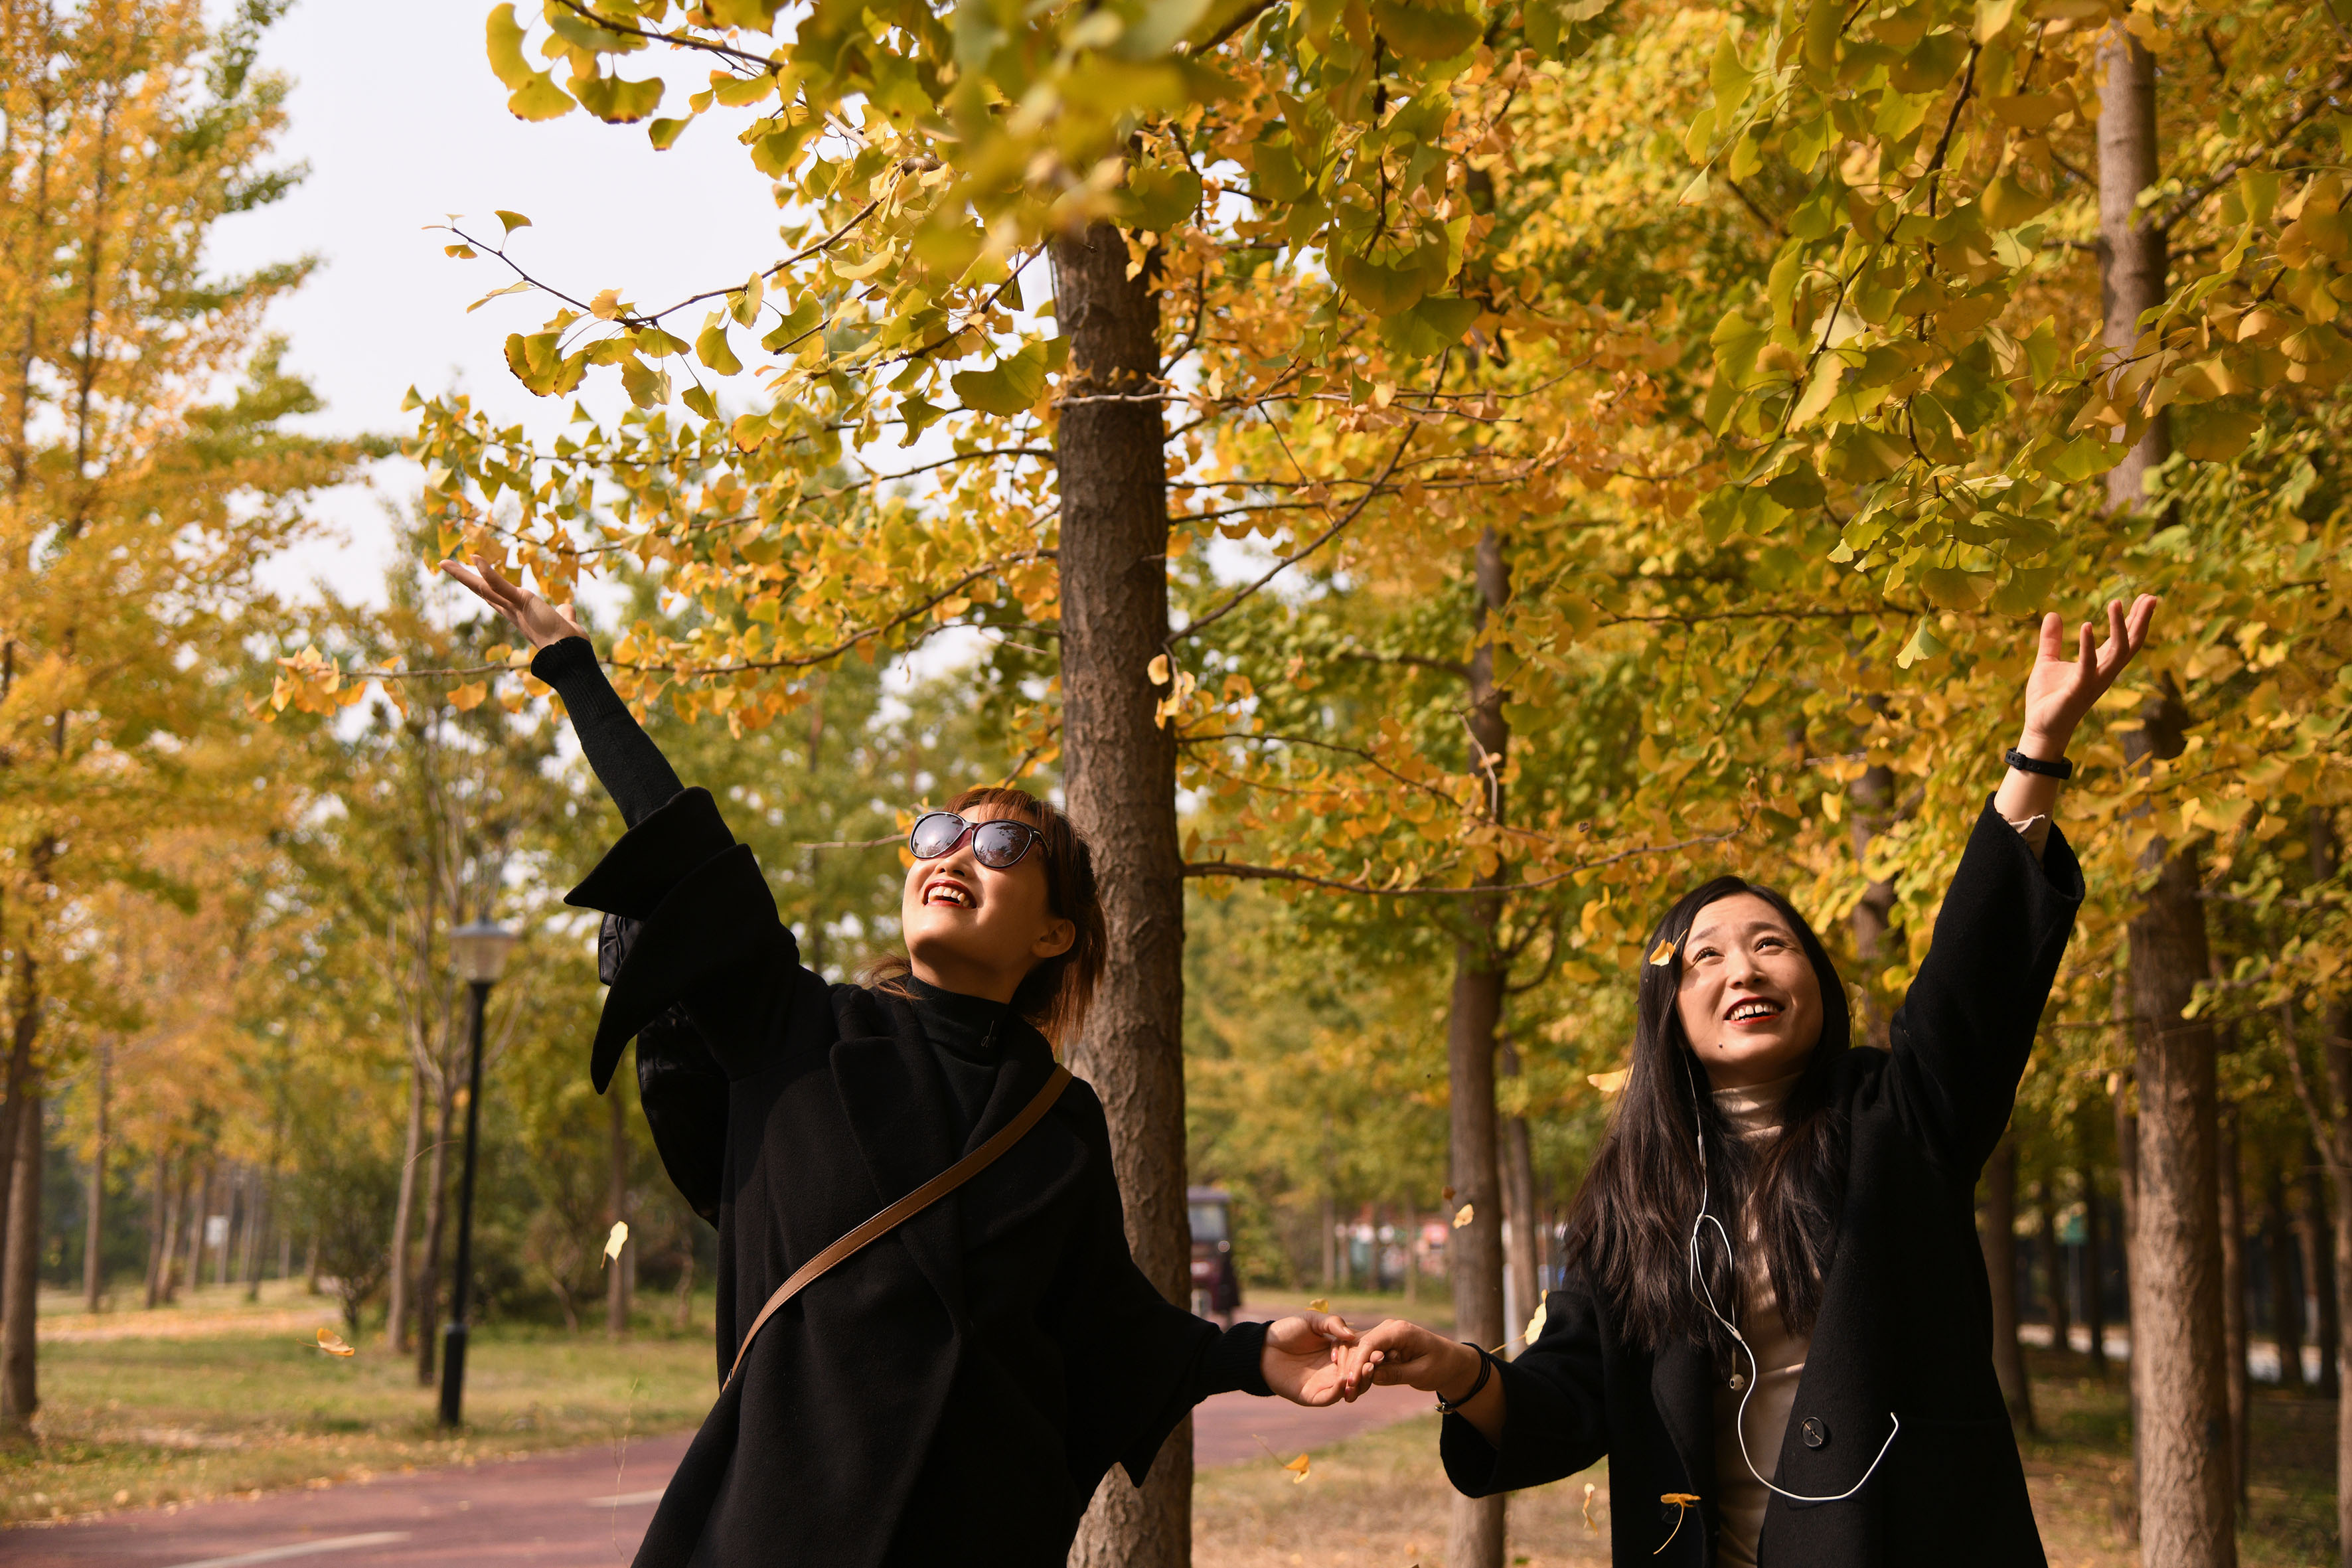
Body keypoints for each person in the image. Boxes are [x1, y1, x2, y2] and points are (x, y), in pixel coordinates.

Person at [440, 556, 1359, 1568]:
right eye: (938, 833)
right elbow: (692, 854)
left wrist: (1252, 1354)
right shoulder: (799, 1034)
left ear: (1054, 933)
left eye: (1001, 845)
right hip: (776, 1537)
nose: (955, 853)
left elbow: (1106, 1325)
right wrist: (575, 668)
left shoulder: (1060, 1118)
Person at [1334, 597, 2159, 1567]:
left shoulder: (1900, 1118)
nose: (1744, 970)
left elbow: (1969, 989)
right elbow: (1571, 1398)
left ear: (1816, 980)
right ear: (1669, 1012)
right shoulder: (1632, 1194)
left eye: (1772, 943)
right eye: (1707, 956)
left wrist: (2037, 754)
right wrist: (1459, 1371)